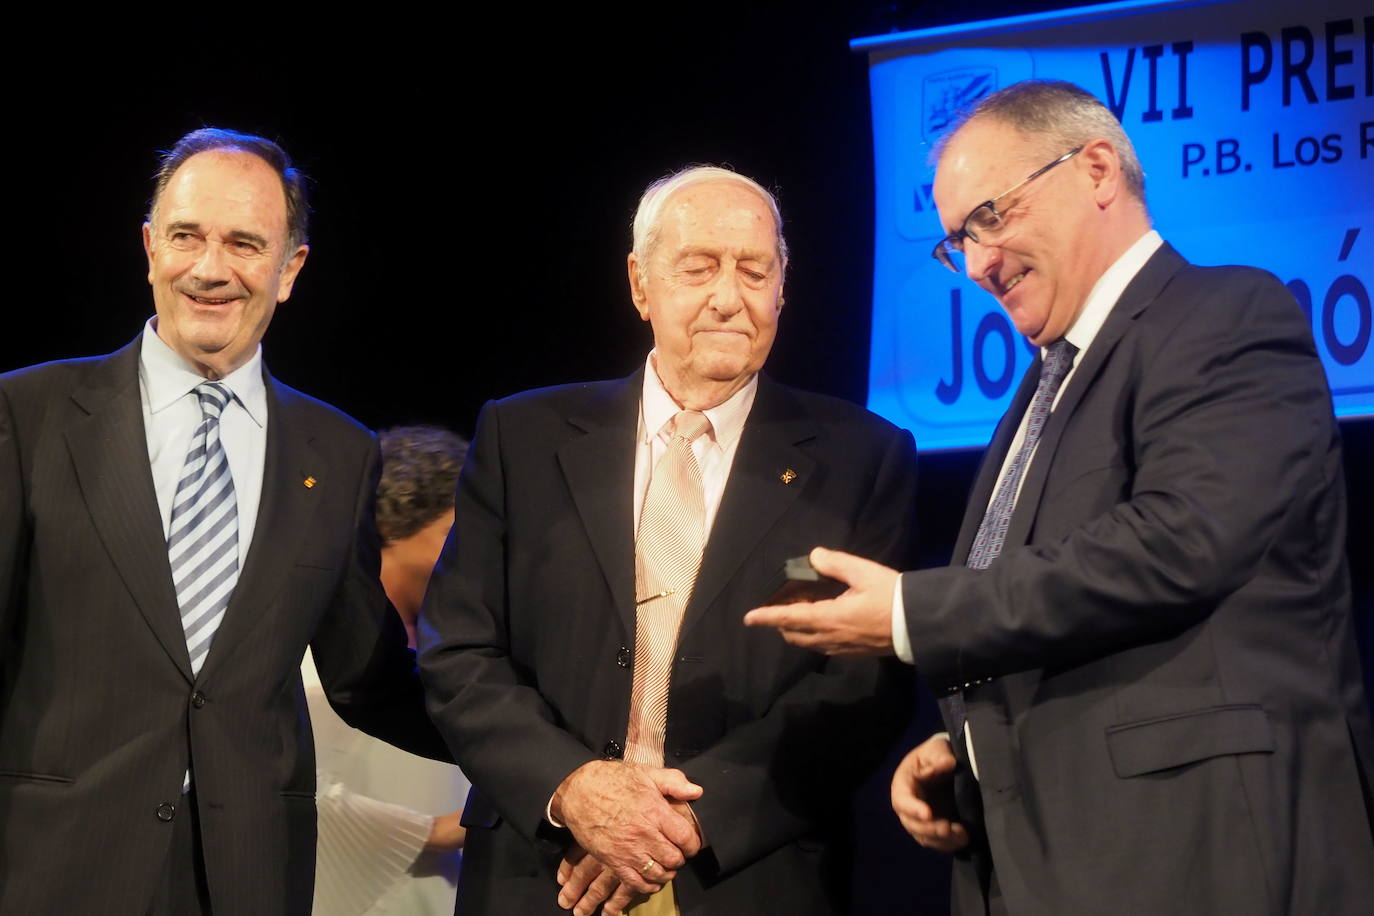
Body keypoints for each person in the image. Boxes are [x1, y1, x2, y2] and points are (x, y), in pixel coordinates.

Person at [746, 79, 1374, 915]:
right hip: (1048, 859)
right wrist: (968, 740)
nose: (976, 264)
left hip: (1198, 857)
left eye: (990, 219)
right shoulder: (1041, 391)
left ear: (1099, 169)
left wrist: (908, 615)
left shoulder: (1226, 315)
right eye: (955, 243)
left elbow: (1179, 544)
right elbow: (1074, 619)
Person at [419, 165, 918, 915]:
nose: (729, 296)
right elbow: (457, 650)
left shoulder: (863, 459)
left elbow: (861, 689)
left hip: (747, 872)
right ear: (640, 283)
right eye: (698, 268)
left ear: (783, 287)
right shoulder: (522, 436)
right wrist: (575, 788)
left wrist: (682, 821)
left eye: (755, 270)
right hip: (546, 868)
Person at [0, 129, 448, 915]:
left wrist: (549, 760)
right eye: (186, 237)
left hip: (247, 876)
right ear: (149, 248)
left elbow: (366, 676)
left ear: (290, 269)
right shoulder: (27, 415)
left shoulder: (336, 453)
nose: (210, 269)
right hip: (52, 866)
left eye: (245, 243)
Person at [307, 424, 471, 916]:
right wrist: (437, 831)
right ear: (392, 527)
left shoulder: (457, 650)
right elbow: (284, 790)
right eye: (454, 533)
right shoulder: (310, 650)